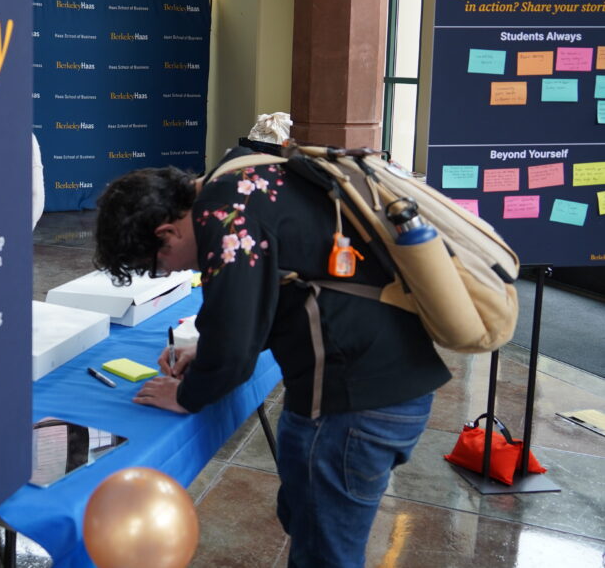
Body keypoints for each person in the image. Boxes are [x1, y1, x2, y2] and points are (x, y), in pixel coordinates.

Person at [92, 139, 451, 567]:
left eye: (161, 265)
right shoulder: (246, 176)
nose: (177, 271)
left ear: (166, 233)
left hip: (352, 401)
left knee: (325, 552)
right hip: (383, 386)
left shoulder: (222, 210)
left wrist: (187, 395)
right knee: (309, 521)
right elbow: (266, 298)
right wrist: (206, 350)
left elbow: (235, 341)